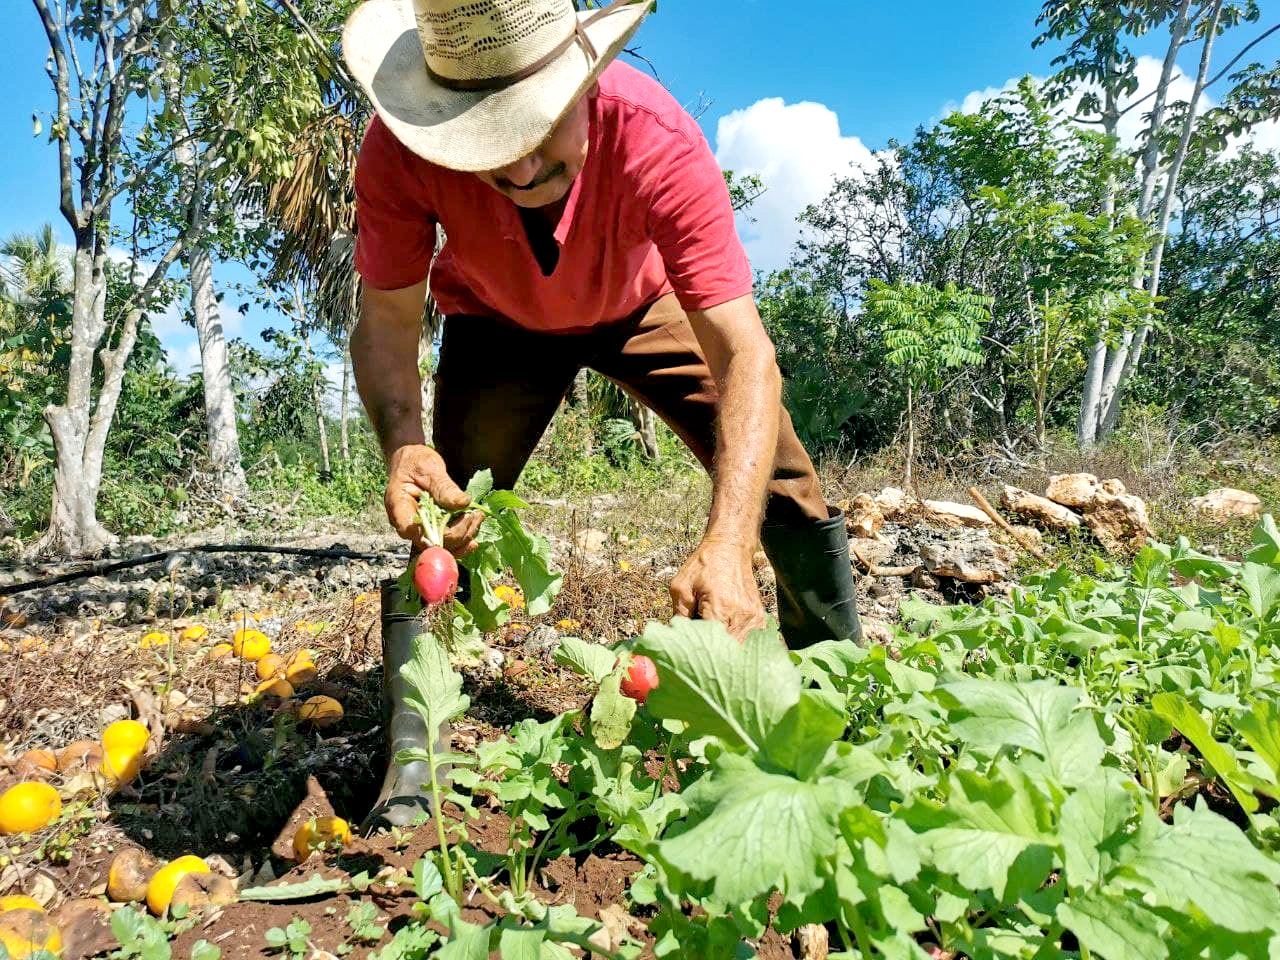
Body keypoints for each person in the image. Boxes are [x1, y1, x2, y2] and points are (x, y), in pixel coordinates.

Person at [341, 0, 861, 828]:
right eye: (486, 138)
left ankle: (840, 681)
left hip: (640, 304)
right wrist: (404, 445)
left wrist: (727, 545)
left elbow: (745, 354)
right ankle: (416, 755)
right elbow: (387, 322)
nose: (514, 169)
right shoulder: (399, 150)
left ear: (581, 79)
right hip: (495, 319)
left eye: (536, 129)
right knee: (447, 517)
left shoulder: (654, 135)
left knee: (787, 479)